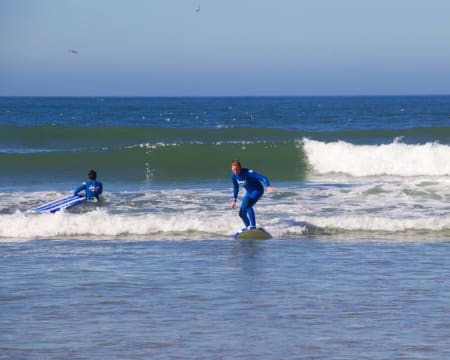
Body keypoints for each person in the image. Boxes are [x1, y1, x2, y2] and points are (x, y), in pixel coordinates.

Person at [230, 160, 274, 230]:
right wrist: (234, 200)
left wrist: (268, 186)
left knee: (248, 205)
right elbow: (236, 187)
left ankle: (253, 227)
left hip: (257, 190)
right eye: (233, 170)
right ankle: (248, 228)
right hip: (249, 193)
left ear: (240, 168)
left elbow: (262, 177)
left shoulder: (248, 172)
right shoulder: (233, 176)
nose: (235, 171)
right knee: (241, 213)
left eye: (237, 169)